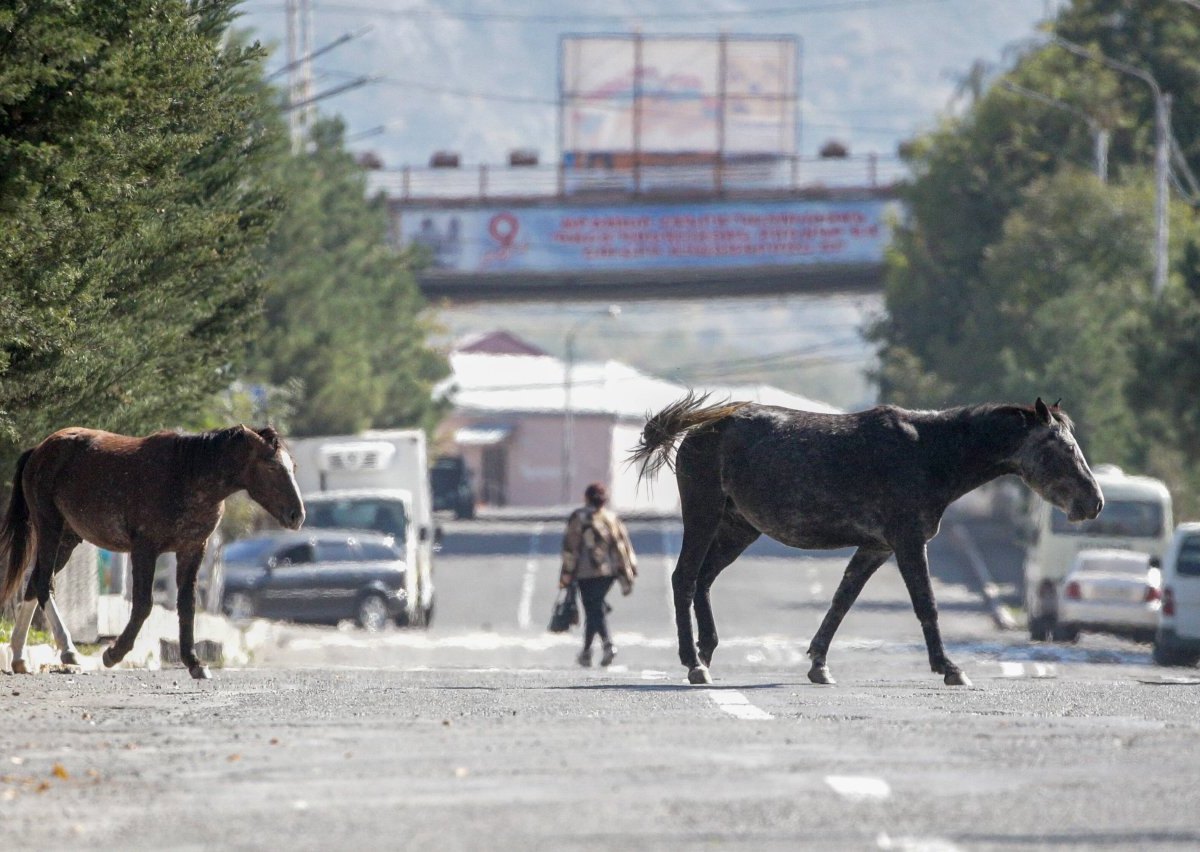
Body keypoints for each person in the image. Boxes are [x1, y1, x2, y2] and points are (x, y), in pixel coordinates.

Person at [558, 482, 637, 667]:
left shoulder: (578, 517)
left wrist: (566, 574)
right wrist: (628, 571)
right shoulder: (611, 518)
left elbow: (570, 547)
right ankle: (589, 651)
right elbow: (623, 545)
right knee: (595, 607)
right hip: (609, 572)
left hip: (586, 572)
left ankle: (604, 646)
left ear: (586, 498)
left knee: (592, 608)